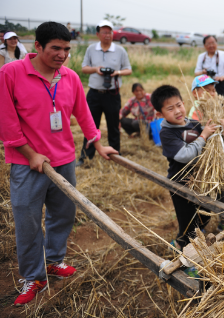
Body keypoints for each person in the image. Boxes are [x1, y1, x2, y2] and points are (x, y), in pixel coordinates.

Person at [0, 22, 118, 306]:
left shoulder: (70, 77)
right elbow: (7, 122)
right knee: (28, 221)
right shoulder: (11, 72)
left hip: (64, 161)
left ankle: (54, 260)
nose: (62, 54)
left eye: (66, 49)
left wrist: (98, 143)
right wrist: (31, 155)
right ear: (38, 46)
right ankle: (34, 276)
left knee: (62, 214)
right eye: (55, 48)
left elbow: (83, 112)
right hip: (27, 164)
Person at [151, 85, 224, 250]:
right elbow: (185, 155)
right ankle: (185, 257)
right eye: (170, 108)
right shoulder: (167, 133)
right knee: (188, 224)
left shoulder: (193, 123)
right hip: (180, 183)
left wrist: (221, 130)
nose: (177, 111)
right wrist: (203, 136)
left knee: (204, 217)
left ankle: (179, 243)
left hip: (200, 181)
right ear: (160, 114)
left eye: (179, 105)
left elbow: (212, 140)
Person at [78, 20, 132, 166]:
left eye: (109, 32)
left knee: (113, 126)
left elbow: (128, 69)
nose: (107, 35)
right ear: (98, 34)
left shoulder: (120, 50)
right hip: (94, 93)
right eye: (104, 32)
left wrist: (117, 72)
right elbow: (84, 68)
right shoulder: (91, 49)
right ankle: (86, 157)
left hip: (112, 94)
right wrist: (96, 69)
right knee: (90, 126)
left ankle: (116, 156)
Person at [194, 35, 224, 105]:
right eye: (208, 44)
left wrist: (222, 77)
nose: (211, 45)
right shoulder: (201, 57)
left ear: (217, 43)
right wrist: (203, 72)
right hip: (205, 84)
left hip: (220, 83)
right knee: (206, 105)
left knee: (222, 105)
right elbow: (196, 73)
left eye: (213, 43)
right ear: (204, 45)